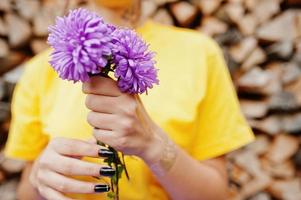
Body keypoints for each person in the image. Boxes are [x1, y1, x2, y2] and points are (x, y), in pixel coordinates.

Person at [4, 0, 255, 199]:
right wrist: (40, 177)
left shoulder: (200, 53)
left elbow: (216, 195)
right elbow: (26, 194)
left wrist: (154, 145)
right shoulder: (41, 70)